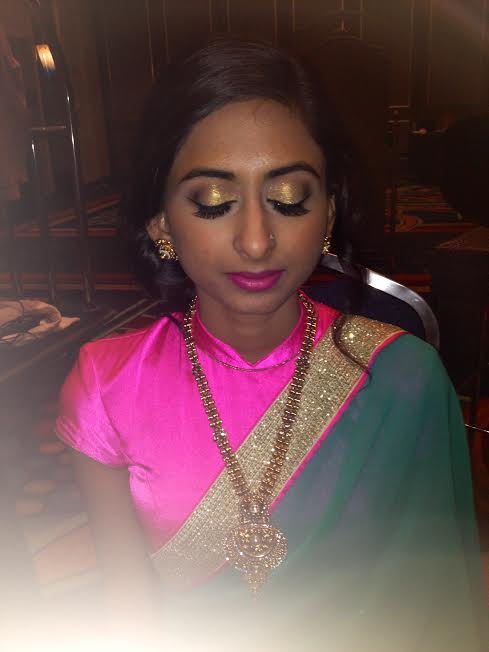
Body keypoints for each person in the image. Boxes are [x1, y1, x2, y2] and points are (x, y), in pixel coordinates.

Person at [56, 39, 487, 651]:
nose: (256, 241)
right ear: (161, 222)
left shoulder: (402, 378)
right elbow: (129, 607)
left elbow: (433, 606)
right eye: (213, 202)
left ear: (328, 213)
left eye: (289, 200)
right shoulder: (108, 383)